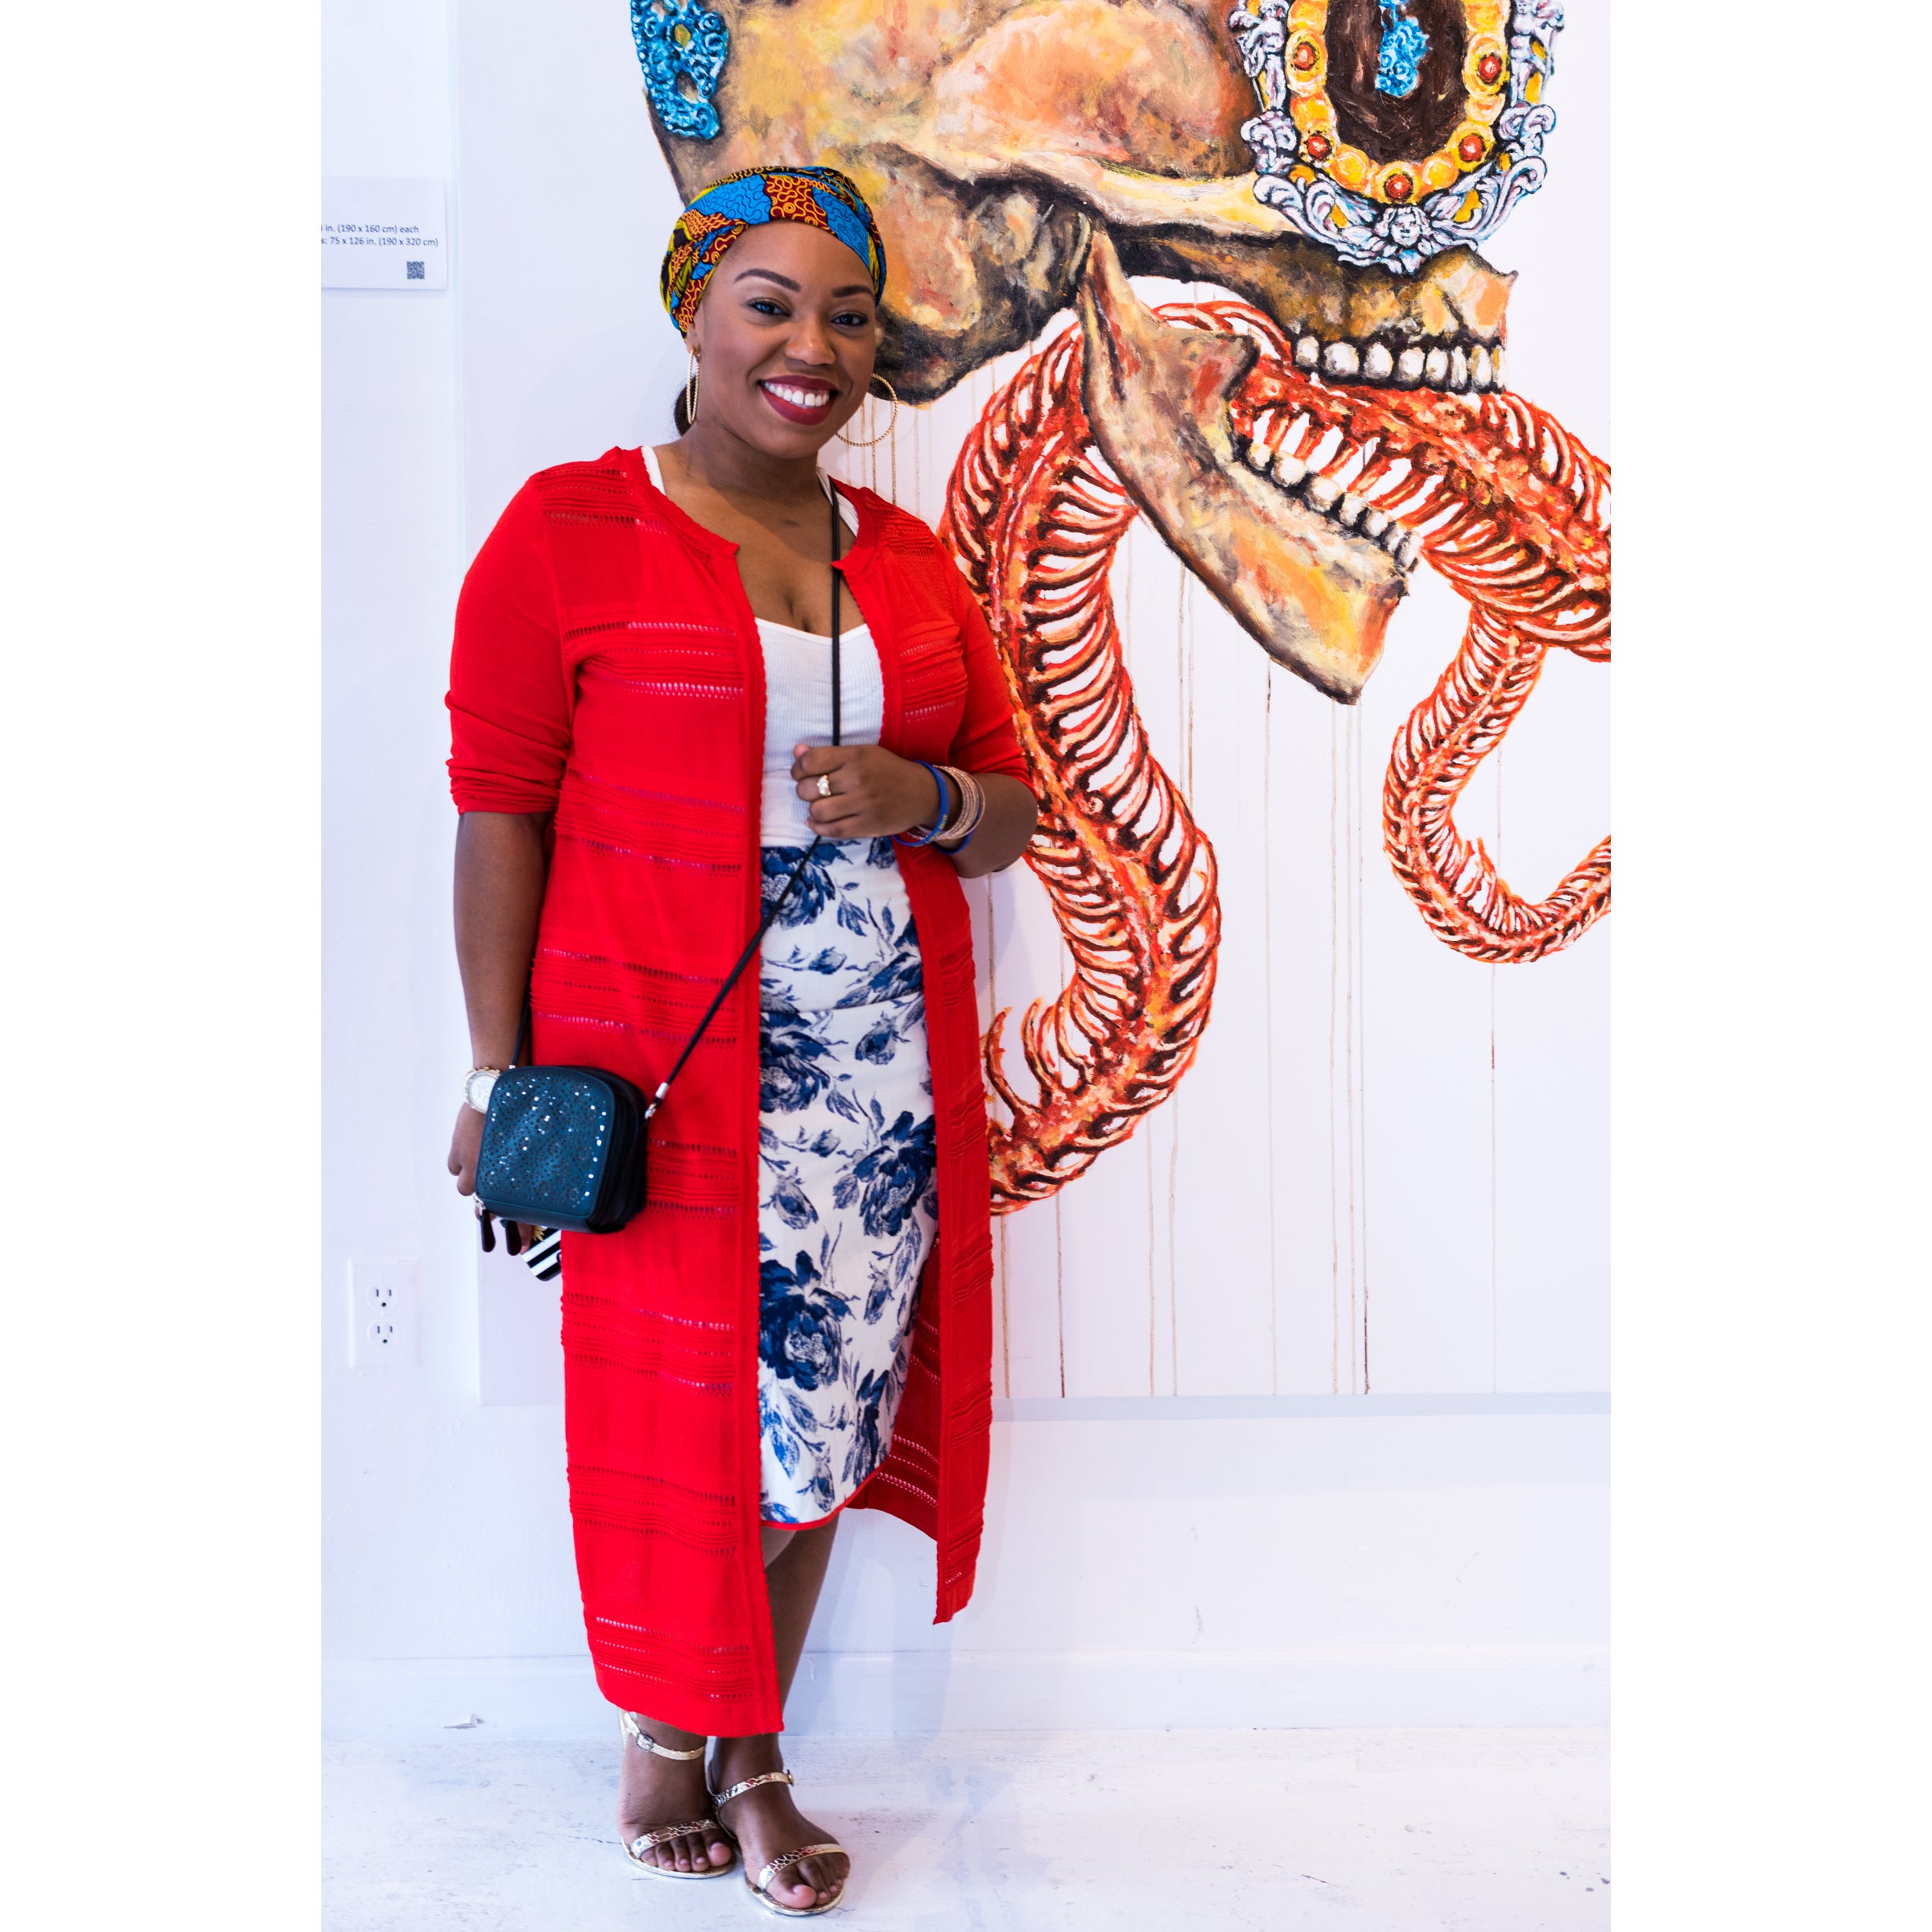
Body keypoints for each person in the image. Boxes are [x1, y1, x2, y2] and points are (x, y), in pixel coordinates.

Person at [444, 165, 1037, 1917]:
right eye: (770, 303)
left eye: (849, 316)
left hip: (872, 1078)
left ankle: (748, 1745)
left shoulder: (908, 564)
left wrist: (924, 796)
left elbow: (1007, 804)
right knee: (683, 1423)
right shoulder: (572, 531)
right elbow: (498, 811)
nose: (813, 347)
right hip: (664, 1067)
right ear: (693, 312)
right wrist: (492, 1074)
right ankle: (675, 1735)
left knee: (820, 1418)